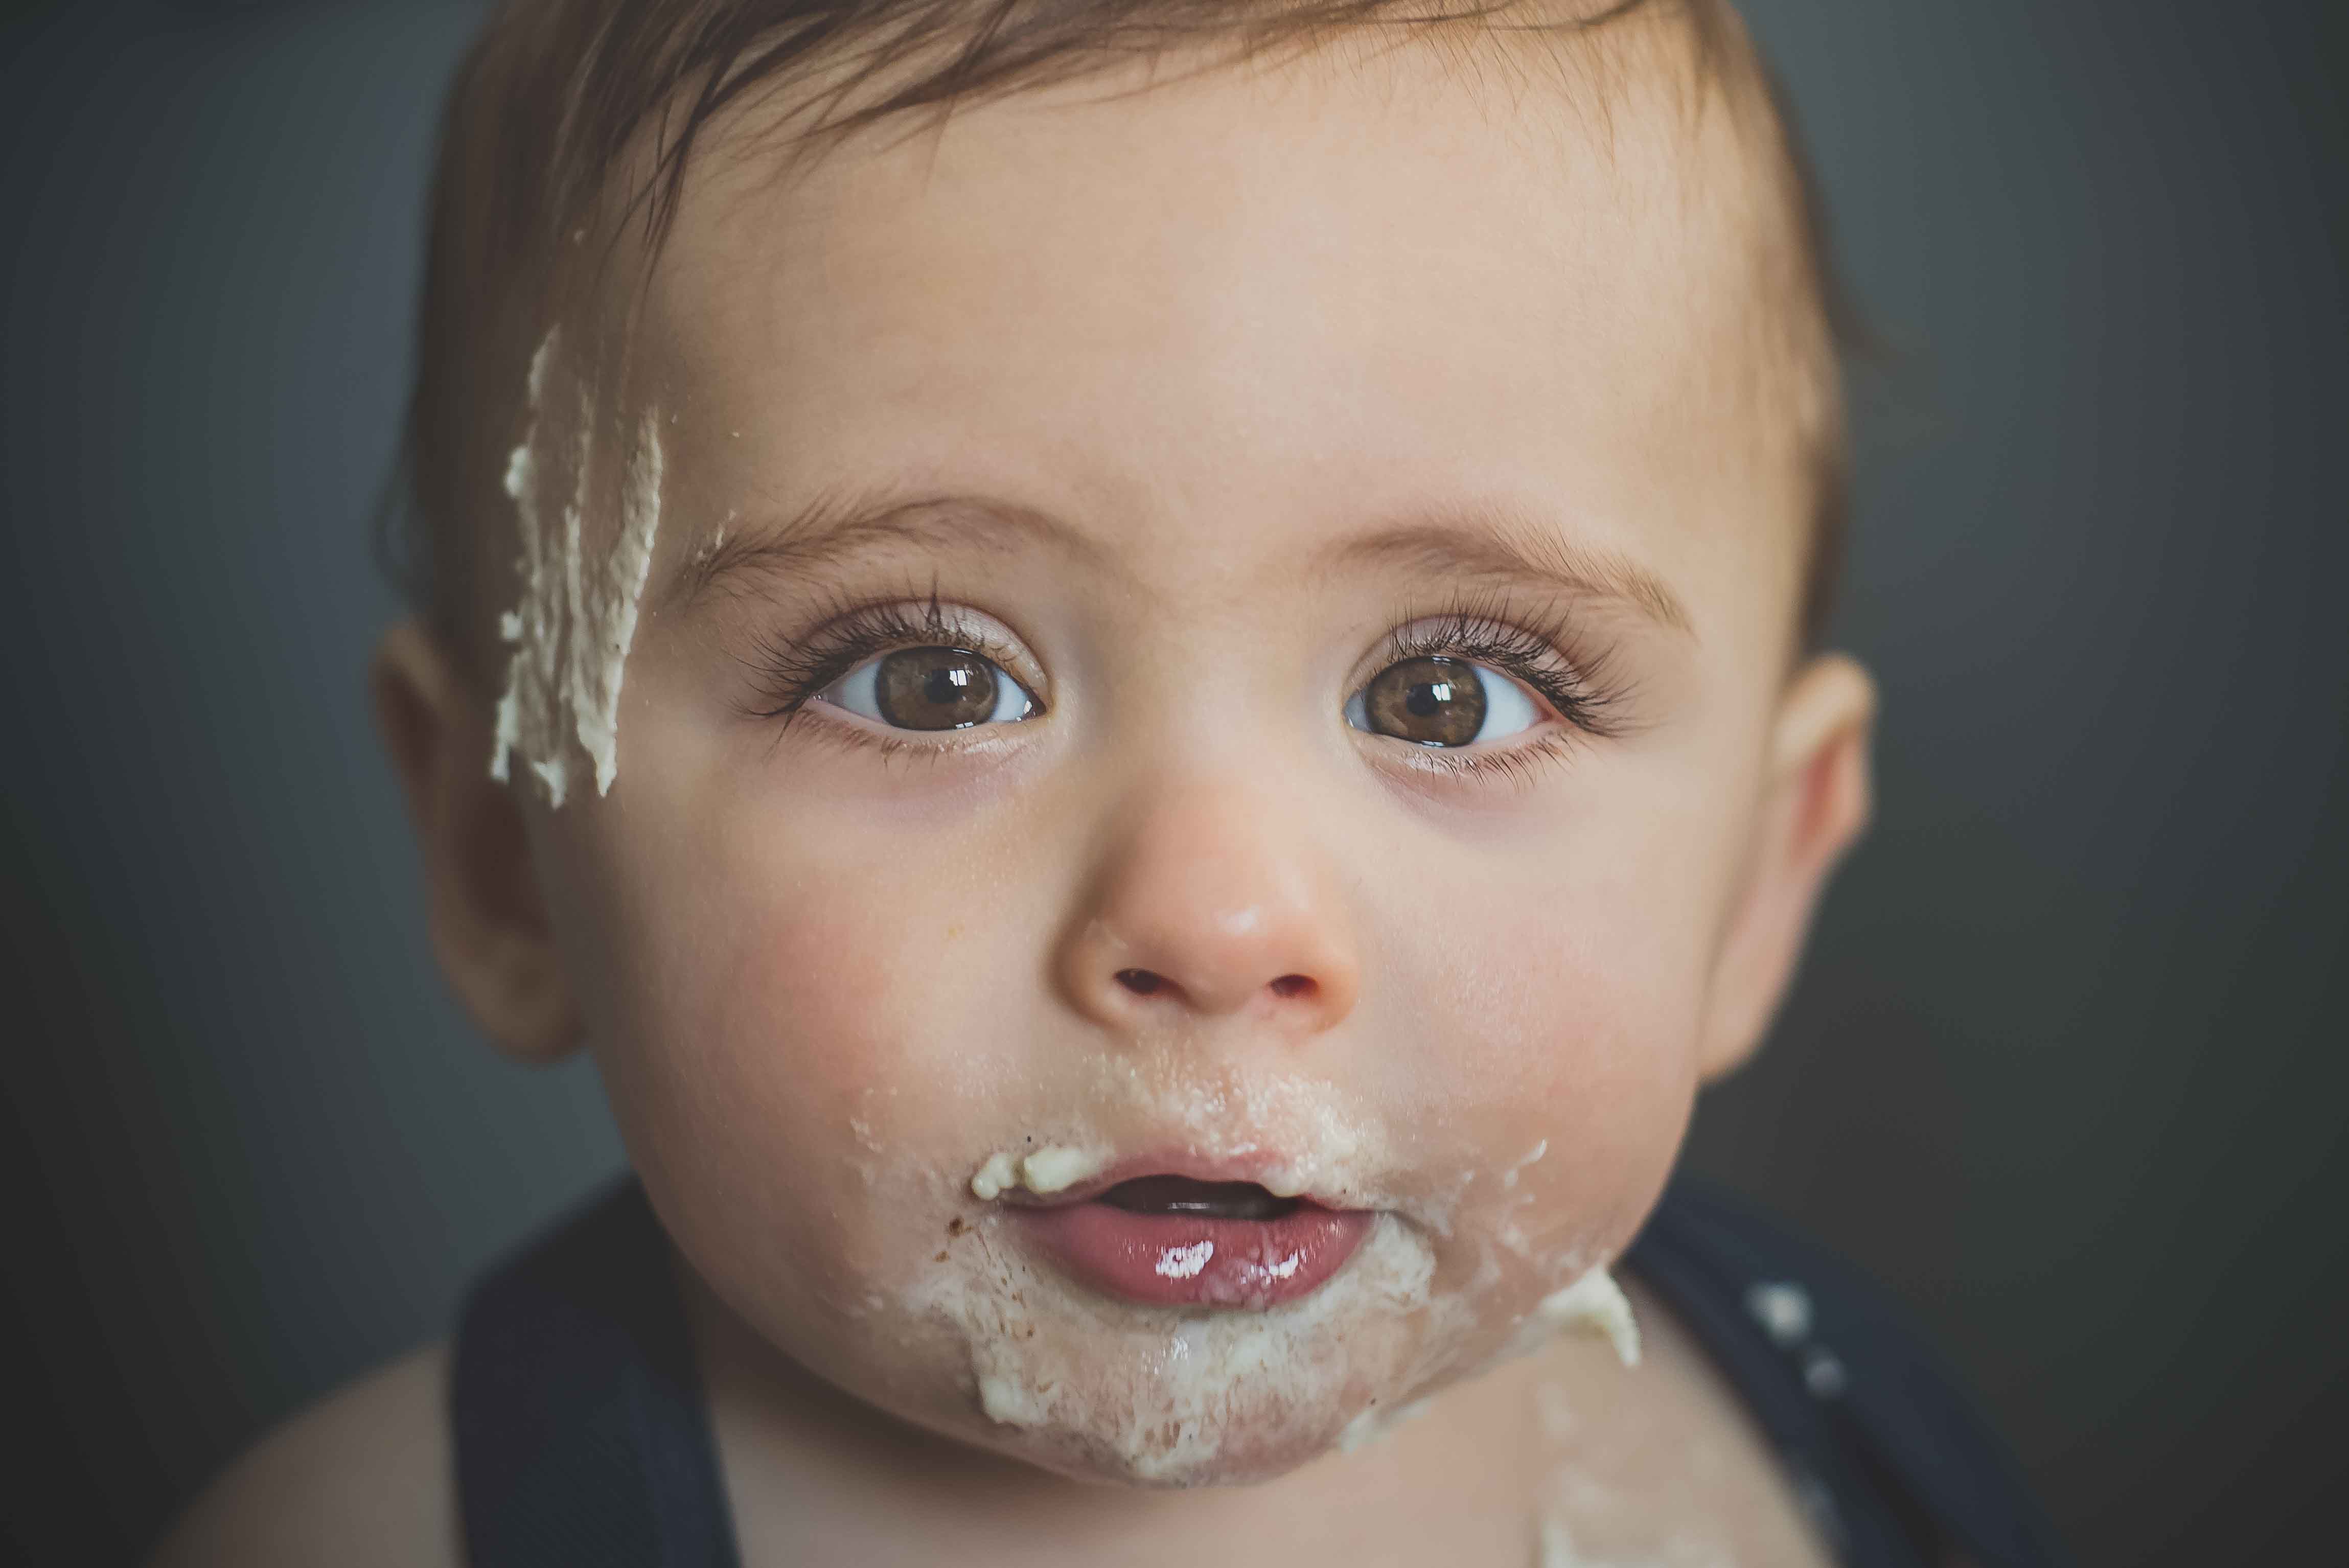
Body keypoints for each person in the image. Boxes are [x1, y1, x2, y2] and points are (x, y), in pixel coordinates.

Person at [152, 2, 2066, 1563]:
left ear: (1754, 880)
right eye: (929, 679)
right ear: (504, 848)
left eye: (1451, 696)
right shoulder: (374, 1537)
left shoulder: (1832, 1438)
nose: (1219, 922)